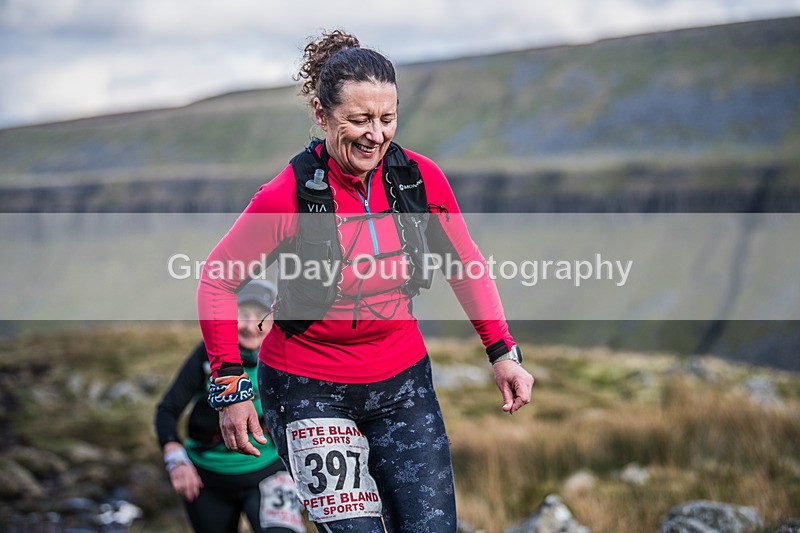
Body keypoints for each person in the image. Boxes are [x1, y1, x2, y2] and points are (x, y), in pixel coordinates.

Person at [197, 29, 534, 532]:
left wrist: (503, 352)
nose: (375, 134)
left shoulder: (420, 180)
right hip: (306, 388)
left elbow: (465, 265)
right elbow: (217, 279)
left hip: (402, 385)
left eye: (387, 118)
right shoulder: (287, 194)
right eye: (358, 120)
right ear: (320, 114)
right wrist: (231, 387)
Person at [155, 279, 306, 533]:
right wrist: (176, 460)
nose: (249, 326)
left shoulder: (288, 358)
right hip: (207, 480)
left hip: (270, 474)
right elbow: (167, 411)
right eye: (242, 316)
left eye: (260, 317)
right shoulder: (207, 356)